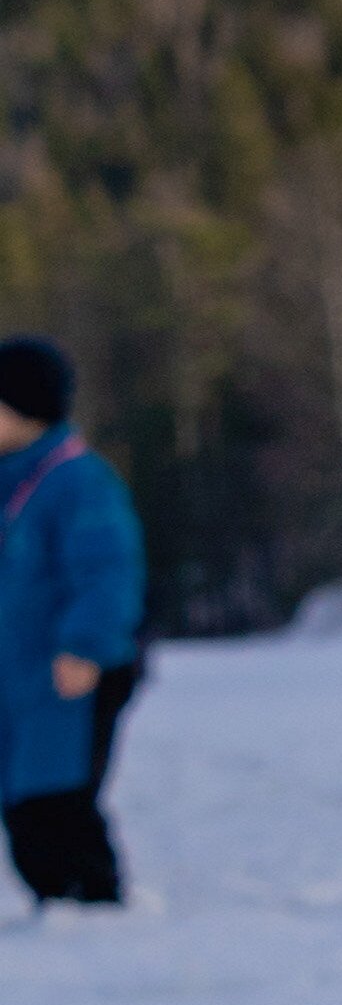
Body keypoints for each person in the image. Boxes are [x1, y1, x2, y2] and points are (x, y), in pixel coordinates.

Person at [0, 337, 144, 912]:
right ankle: (55, 904)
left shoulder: (78, 481)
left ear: (25, 409)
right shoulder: (14, 480)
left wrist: (85, 645)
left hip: (74, 670)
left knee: (57, 794)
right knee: (22, 797)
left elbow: (108, 571)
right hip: (23, 675)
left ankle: (93, 904)